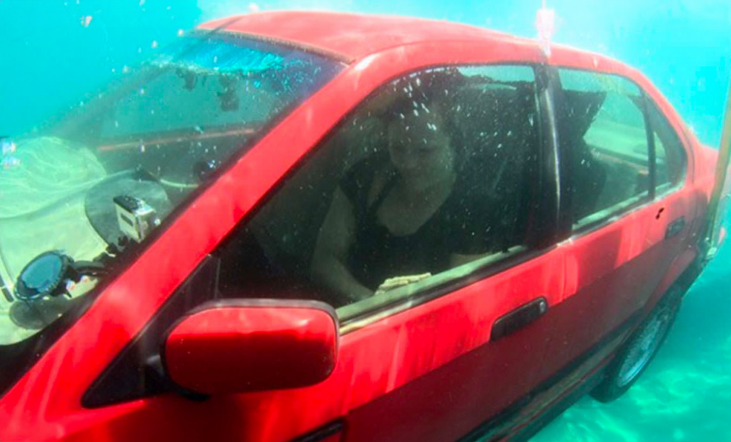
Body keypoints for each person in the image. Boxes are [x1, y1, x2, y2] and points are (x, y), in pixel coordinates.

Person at [310, 71, 495, 304]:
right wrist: (371, 302)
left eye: (424, 151)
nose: (408, 163)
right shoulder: (364, 176)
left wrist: (391, 309)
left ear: (453, 143)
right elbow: (324, 261)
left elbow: (463, 303)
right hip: (346, 316)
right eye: (397, 148)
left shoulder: (473, 206)